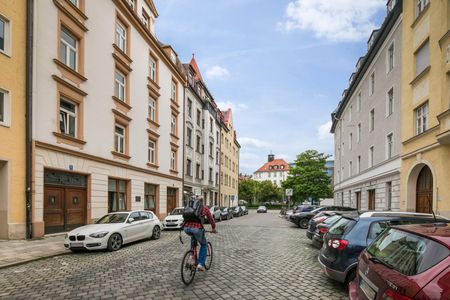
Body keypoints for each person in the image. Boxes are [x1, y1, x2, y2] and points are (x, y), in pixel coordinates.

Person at [183, 196, 217, 271]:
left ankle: (191, 257)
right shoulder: (204, 208)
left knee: (193, 240)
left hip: (186, 228)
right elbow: (211, 219)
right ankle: (201, 264)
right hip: (197, 229)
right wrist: (213, 228)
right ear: (203, 201)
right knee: (204, 244)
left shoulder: (190, 207)